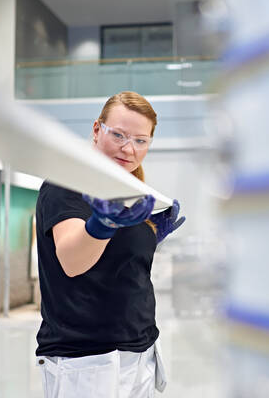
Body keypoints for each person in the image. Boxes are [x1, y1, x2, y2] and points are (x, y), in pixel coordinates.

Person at [35, 91, 185, 398]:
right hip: (88, 359)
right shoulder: (66, 184)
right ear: (96, 129)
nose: (129, 149)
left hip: (139, 349)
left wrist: (149, 235)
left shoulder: (127, 189)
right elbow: (72, 262)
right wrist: (101, 226)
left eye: (141, 140)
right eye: (118, 135)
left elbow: (114, 260)